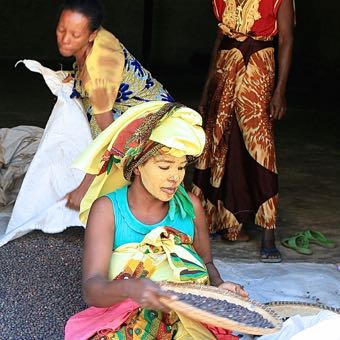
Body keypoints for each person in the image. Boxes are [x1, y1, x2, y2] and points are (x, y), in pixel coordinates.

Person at [65, 101, 248, 339]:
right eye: (164, 166)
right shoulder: (108, 210)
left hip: (187, 322)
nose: (175, 177)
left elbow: (206, 264)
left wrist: (219, 287)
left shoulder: (190, 207)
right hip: (124, 324)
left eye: (181, 167)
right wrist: (129, 287)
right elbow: (92, 288)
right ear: (138, 166)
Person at [192, 0, 294, 262]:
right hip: (224, 70)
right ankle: (220, 221)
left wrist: (279, 92)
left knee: (260, 146)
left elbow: (285, 40)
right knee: (220, 141)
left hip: (258, 68)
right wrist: (206, 90)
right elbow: (219, 41)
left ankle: (268, 233)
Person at [56, 0, 173, 210]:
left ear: (92, 35)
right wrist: (77, 76)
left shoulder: (99, 69)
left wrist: (82, 190)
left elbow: (107, 137)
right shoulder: (98, 38)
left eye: (75, 35)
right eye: (61, 29)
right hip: (151, 98)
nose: (65, 39)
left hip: (153, 116)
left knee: (99, 140)